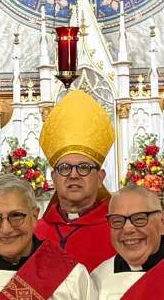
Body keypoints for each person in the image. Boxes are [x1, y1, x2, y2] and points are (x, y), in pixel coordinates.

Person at [35, 90, 117, 271]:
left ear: (100, 178)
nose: (73, 175)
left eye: (84, 167)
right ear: (53, 178)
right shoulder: (33, 233)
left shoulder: (120, 232)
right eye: (64, 168)